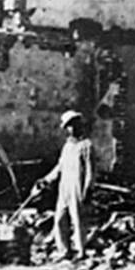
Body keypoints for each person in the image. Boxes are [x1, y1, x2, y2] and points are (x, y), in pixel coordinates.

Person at [38, 110, 93, 258]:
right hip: (64, 187)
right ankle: (64, 251)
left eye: (74, 125)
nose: (72, 129)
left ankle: (81, 252)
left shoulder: (86, 146)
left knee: (78, 219)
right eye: (69, 126)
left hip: (77, 186)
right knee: (60, 219)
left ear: (80, 125)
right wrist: (46, 179)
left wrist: (87, 189)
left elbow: (90, 171)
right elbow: (59, 167)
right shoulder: (67, 147)